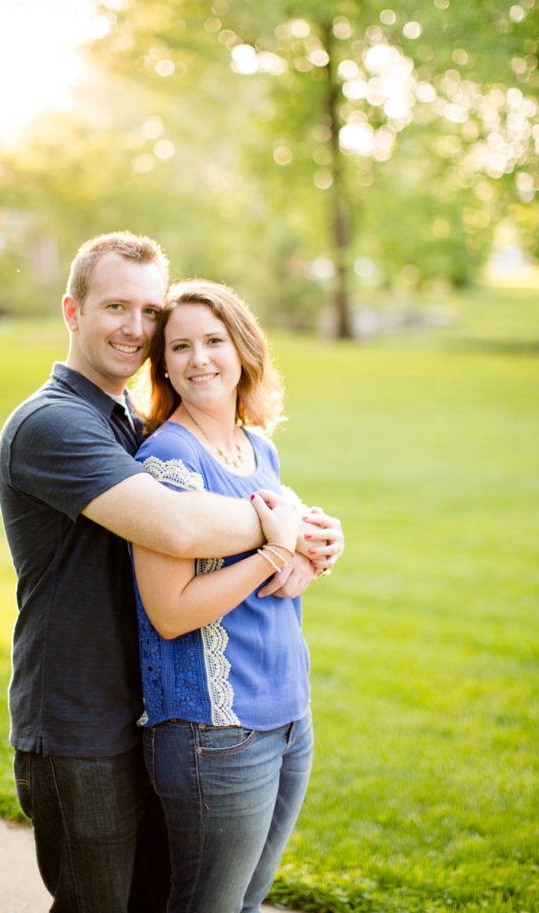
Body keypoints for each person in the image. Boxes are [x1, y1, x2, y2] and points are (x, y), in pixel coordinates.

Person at [0, 232, 342, 911]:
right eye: (115, 306)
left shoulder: (127, 417)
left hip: (150, 709)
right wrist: (288, 529)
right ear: (73, 311)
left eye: (151, 311)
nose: (137, 328)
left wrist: (301, 528)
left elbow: (208, 519)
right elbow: (178, 526)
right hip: (81, 723)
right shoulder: (54, 424)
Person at [130, 279, 321, 912]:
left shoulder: (257, 447)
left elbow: (283, 569)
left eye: (213, 341)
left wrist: (312, 550)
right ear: (164, 366)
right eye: (179, 347)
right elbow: (171, 611)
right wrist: (272, 549)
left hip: (290, 710)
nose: (198, 359)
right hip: (217, 728)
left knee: (248, 901)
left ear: (243, 348)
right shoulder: (168, 459)